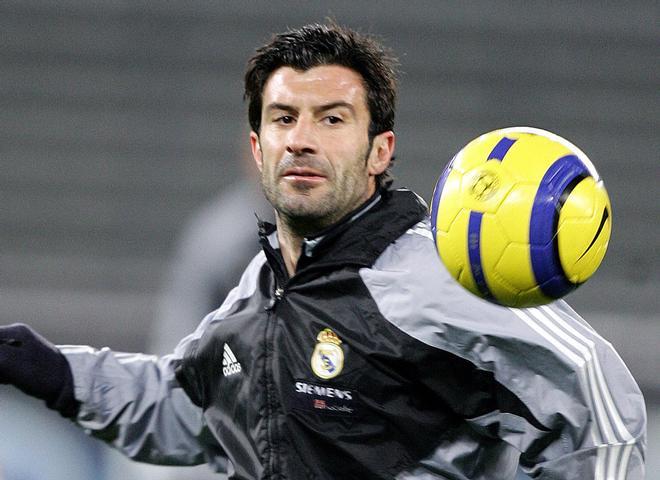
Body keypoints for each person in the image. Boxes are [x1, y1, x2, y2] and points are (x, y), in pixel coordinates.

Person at [0, 23, 647, 480]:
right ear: (257, 149)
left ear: (380, 151)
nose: (302, 140)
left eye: (332, 119)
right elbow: (190, 411)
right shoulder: (259, 290)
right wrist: (52, 370)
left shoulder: (442, 274)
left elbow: (597, 395)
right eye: (284, 119)